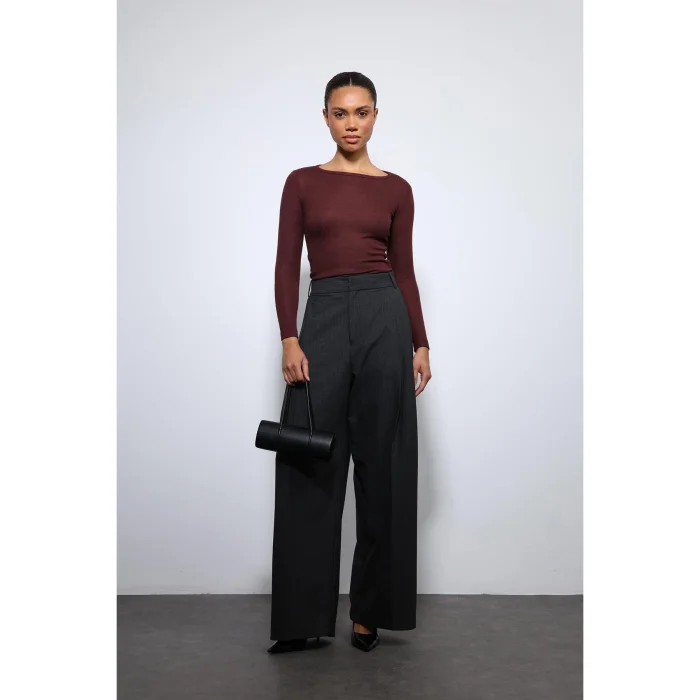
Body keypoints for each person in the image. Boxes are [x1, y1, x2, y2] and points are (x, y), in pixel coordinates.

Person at [267, 71, 432, 654]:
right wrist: (290, 337)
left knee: (383, 467)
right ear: (326, 118)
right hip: (326, 318)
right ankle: (300, 618)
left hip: (385, 317)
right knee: (308, 459)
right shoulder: (302, 182)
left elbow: (404, 270)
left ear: (376, 116)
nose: (352, 123)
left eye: (362, 112)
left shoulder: (397, 189)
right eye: (341, 113)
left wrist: (420, 342)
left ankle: (370, 613)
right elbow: (287, 264)